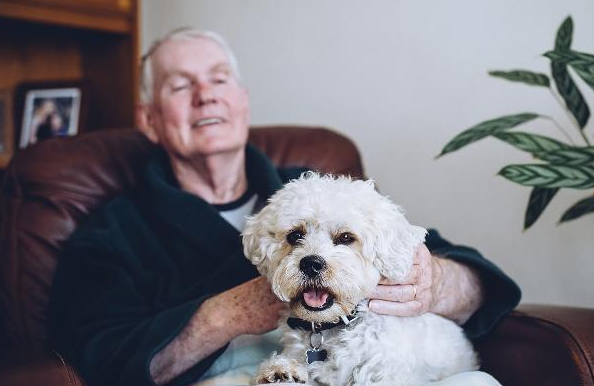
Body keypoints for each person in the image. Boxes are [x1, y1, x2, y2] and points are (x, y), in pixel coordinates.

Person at [49, 28, 521, 386]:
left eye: (219, 79)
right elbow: (96, 358)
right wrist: (226, 314)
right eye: (180, 86)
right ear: (149, 120)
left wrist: (435, 281)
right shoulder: (111, 234)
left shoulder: (315, 190)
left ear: (242, 102)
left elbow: (468, 275)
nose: (206, 94)